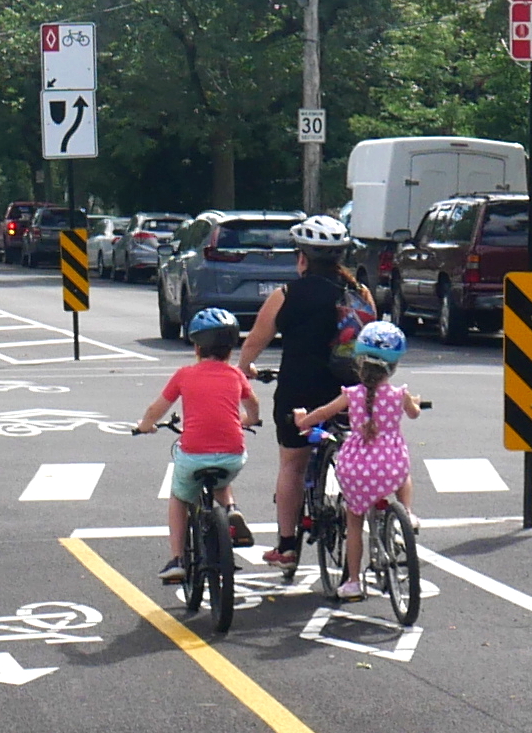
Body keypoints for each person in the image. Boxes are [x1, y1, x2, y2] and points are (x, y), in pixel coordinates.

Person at [236, 215, 373, 571]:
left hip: (300, 389)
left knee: (293, 466)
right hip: (349, 391)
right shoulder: (359, 294)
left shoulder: (286, 295)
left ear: (302, 258)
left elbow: (254, 343)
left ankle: (286, 545)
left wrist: (244, 370)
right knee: (351, 454)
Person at [293, 321, 420, 600]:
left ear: (359, 364)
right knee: (403, 475)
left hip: (357, 468)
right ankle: (407, 514)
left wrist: (303, 420)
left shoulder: (351, 395)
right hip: (390, 464)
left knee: (354, 520)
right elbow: (414, 413)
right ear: (393, 366)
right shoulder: (400, 395)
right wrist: (415, 403)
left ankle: (352, 581)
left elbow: (323, 413)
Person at [135, 308, 259, 583]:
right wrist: (250, 419)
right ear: (230, 348)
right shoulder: (236, 376)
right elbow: (254, 405)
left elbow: (157, 409)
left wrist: (145, 425)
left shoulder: (184, 375)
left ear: (196, 347)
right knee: (221, 478)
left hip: (193, 455)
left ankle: (177, 559)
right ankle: (231, 511)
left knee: (180, 496)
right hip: (232, 455)